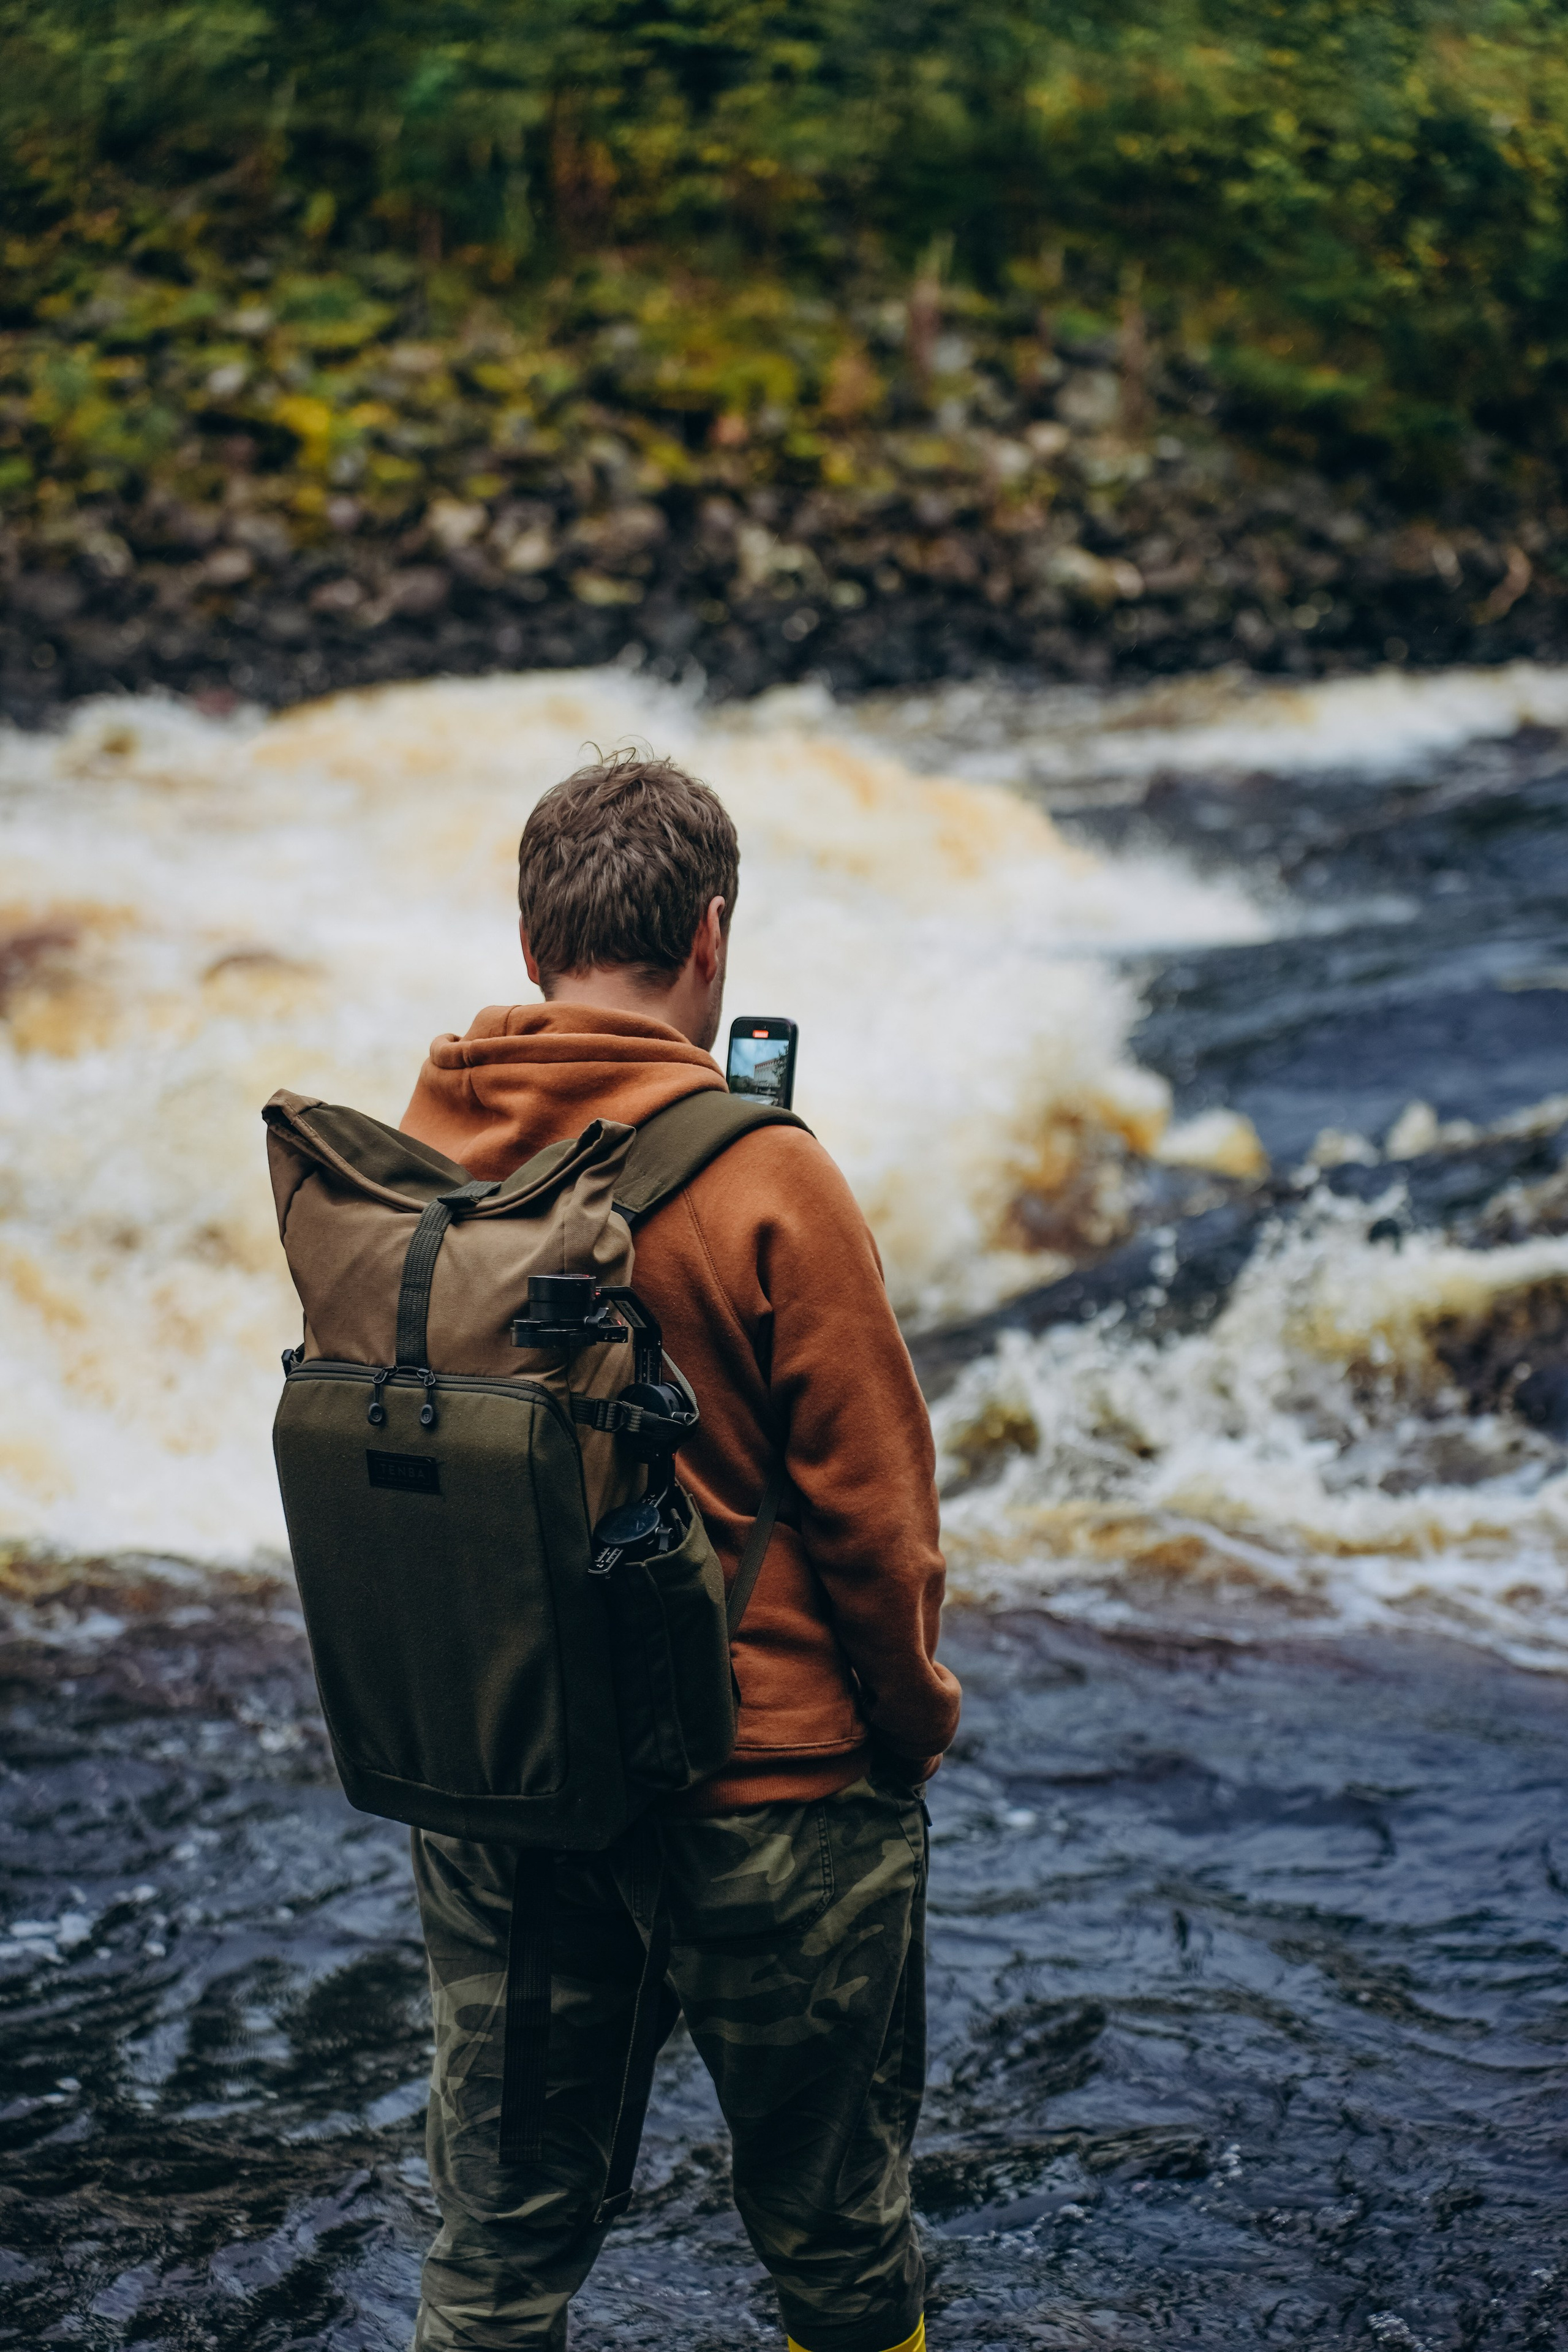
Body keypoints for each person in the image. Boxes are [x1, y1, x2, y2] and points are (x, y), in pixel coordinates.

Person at [398, 750, 961, 2352]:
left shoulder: (418, 1161)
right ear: (710, 941)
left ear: (529, 948)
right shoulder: (769, 1173)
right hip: (764, 1789)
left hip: (506, 1783)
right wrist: (911, 1725)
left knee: (498, 2245)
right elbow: (874, 1515)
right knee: (836, 2233)